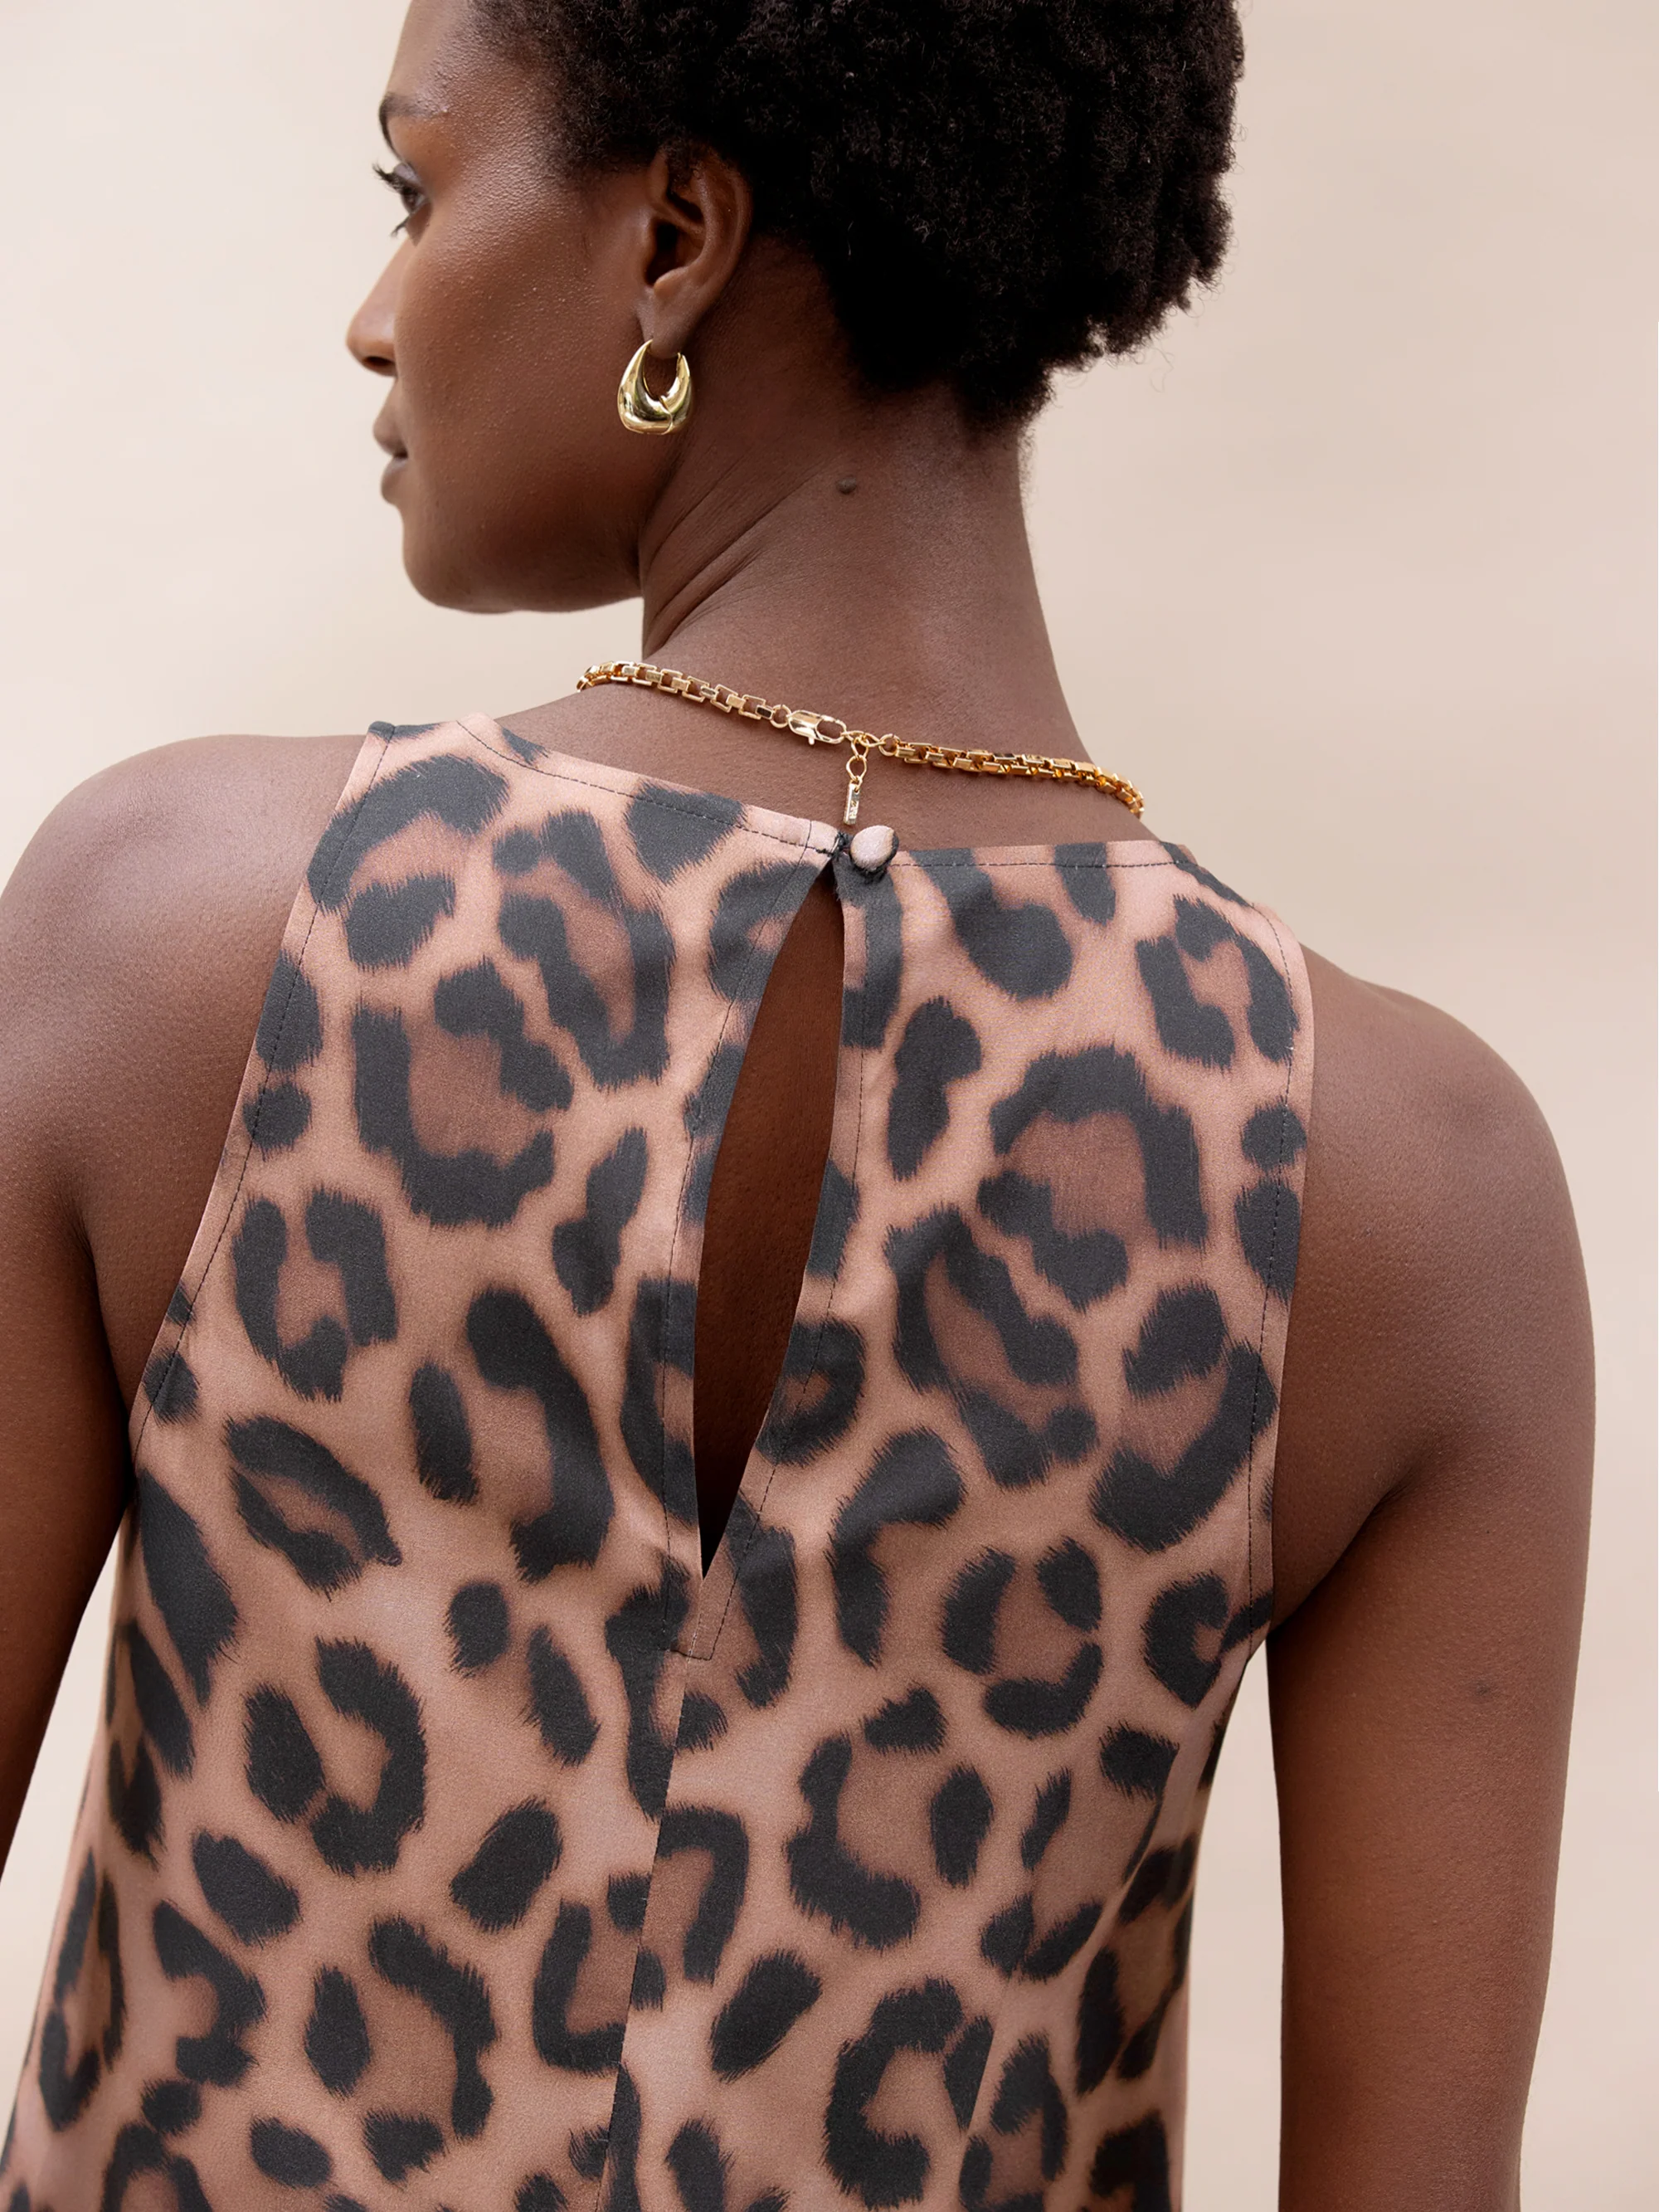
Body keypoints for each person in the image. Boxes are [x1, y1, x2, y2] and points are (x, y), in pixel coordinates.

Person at [0, 1, 1592, 2206]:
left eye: (416, 188)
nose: (377, 314)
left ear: (677, 236)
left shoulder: (172, 934)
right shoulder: (1410, 1184)